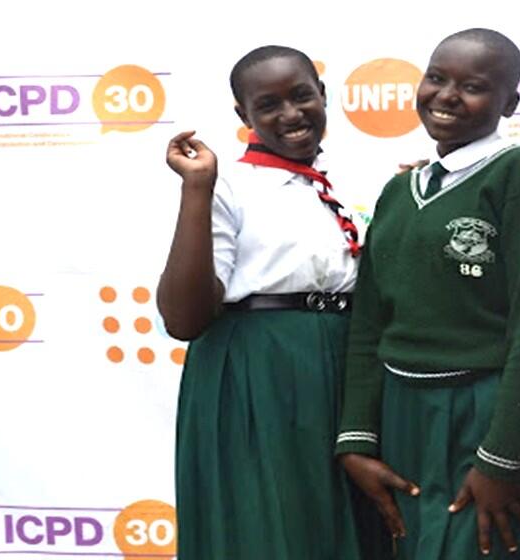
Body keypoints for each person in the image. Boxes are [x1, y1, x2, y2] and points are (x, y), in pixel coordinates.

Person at [334, 28, 520, 559]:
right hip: (404, 415)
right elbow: (369, 324)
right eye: (437, 78)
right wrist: (356, 439)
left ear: (508, 103)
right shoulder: (400, 192)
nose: (447, 95)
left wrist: (502, 458)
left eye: (474, 86)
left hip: (486, 414)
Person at [158, 45, 366, 559]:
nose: (291, 115)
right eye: (268, 104)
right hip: (258, 370)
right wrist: (197, 190)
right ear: (242, 115)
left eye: (301, 96)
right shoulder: (226, 184)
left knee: (343, 522)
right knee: (269, 521)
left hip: (345, 361)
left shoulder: (361, 179)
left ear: (324, 96)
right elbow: (183, 318)